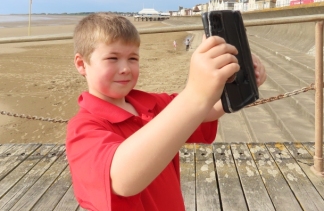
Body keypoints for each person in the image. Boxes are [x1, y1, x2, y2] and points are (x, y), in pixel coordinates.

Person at [66, 13, 266, 211]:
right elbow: (121, 179)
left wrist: (239, 78)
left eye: (133, 58)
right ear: (82, 64)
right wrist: (195, 95)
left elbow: (205, 111)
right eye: (112, 58)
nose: (125, 68)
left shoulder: (151, 103)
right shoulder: (82, 128)